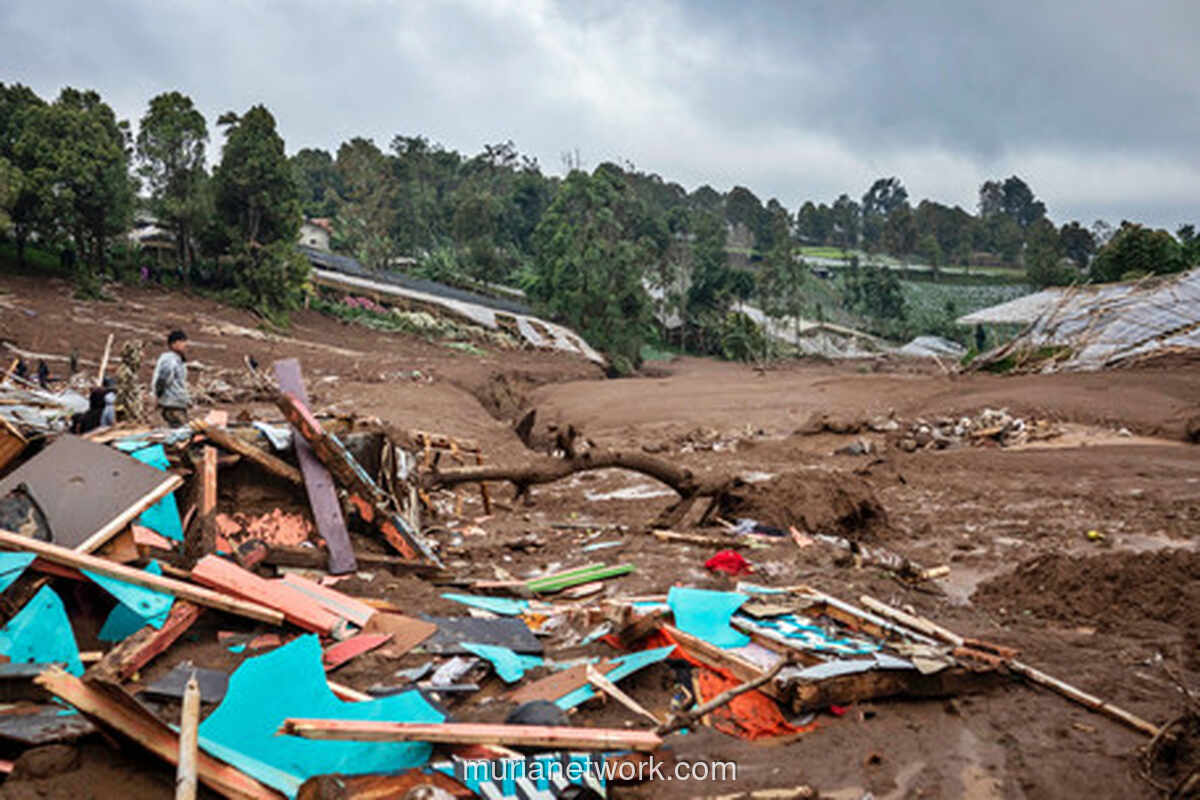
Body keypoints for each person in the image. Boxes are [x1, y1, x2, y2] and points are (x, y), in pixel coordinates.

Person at [151, 330, 190, 427]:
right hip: (172, 403)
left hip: (177, 403)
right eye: (181, 342)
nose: (185, 345)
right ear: (173, 344)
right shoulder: (170, 360)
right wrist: (158, 395)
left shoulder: (179, 360)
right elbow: (163, 379)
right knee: (181, 432)